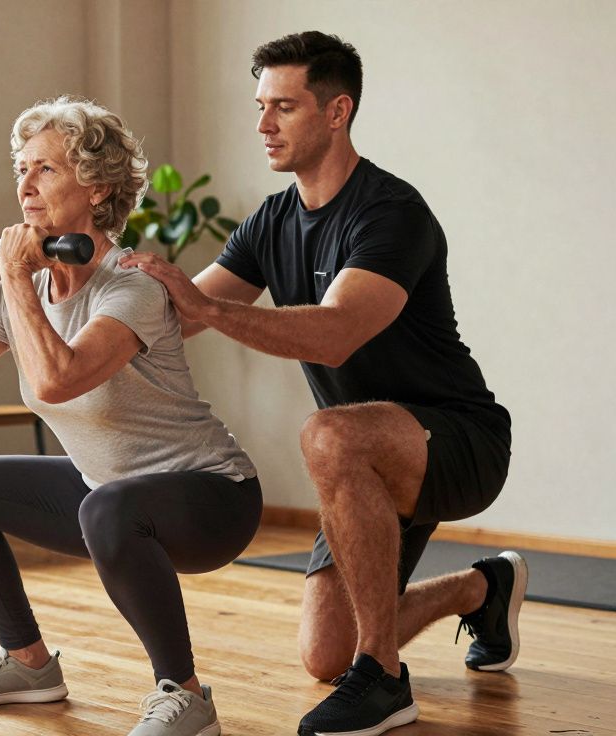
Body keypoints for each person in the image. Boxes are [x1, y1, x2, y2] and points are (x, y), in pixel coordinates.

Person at [120, 32, 523, 736]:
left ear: (337, 112)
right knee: (324, 654)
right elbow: (178, 319)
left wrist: (211, 307)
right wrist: (87, 291)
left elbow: (338, 330)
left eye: (283, 107)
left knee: (328, 433)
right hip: (361, 462)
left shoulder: (391, 213)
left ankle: (387, 681)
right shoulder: (271, 221)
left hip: (459, 440)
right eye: (259, 107)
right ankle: (481, 588)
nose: (262, 125)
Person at [0, 96, 262, 736]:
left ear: (98, 189)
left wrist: (10, 278)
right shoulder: (27, 286)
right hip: (106, 493)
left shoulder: (132, 287)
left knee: (108, 507)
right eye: (23, 168)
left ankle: (187, 695)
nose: (25, 185)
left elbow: (56, 380)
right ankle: (28, 664)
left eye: (47, 170)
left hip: (212, 498)